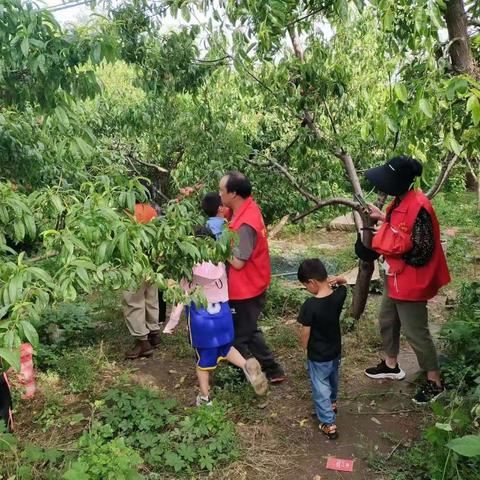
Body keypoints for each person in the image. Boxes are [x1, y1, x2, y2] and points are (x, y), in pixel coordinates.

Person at [360, 155, 450, 404]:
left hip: (410, 280)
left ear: (399, 181)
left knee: (416, 331)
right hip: (396, 275)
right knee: (387, 319)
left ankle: (434, 380)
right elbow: (401, 229)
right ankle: (391, 365)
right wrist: (384, 220)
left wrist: (387, 239)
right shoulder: (402, 200)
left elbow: (422, 250)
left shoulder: (419, 206)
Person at [164, 227, 268, 405]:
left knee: (203, 361)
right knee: (226, 348)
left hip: (202, 320)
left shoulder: (189, 269)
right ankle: (246, 366)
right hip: (223, 316)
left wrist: (171, 324)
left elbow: (180, 299)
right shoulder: (220, 263)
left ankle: (205, 397)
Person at [219, 171, 285, 383]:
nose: (219, 194)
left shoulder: (246, 224)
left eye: (222, 190)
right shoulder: (244, 208)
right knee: (248, 329)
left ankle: (249, 372)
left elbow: (238, 262)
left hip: (246, 287)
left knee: (239, 335)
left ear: (234, 194)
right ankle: (272, 368)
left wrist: (218, 245)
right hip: (250, 283)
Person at [297, 259, 347, 440]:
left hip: (318, 355)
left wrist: (304, 348)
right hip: (335, 351)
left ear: (312, 282)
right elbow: (344, 283)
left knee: (320, 388)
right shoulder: (339, 296)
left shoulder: (310, 306)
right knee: (333, 378)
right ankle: (332, 404)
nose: (306, 289)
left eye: (305, 285)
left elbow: (305, 332)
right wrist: (338, 280)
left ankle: (328, 423)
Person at [123, 183, 161, 359]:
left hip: (134, 261)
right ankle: (153, 332)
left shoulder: (127, 212)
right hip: (151, 260)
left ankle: (142, 342)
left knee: (134, 300)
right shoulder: (151, 210)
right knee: (150, 296)